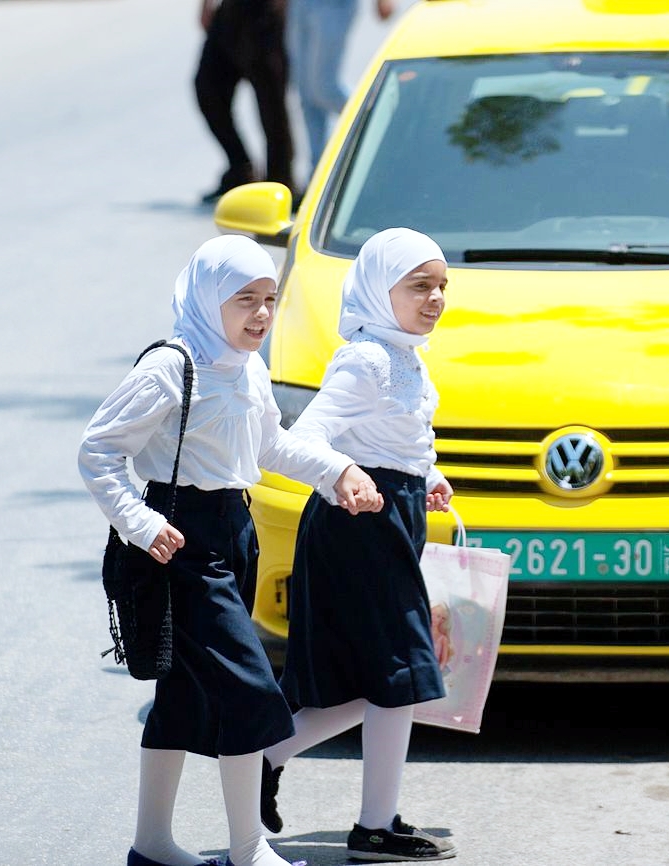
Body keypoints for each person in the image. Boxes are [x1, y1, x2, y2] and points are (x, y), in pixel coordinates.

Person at [78, 234, 384, 866]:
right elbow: (99, 450)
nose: (261, 315)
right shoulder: (171, 366)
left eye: (270, 299)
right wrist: (138, 521)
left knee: (184, 695)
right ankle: (249, 851)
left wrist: (338, 472)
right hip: (178, 543)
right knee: (249, 691)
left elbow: (270, 445)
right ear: (209, 298)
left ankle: (153, 848)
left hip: (233, 532)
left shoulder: (245, 366)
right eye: (245, 300)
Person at [260, 227, 458, 861]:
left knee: (385, 675)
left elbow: (397, 439)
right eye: (420, 286)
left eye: (441, 287)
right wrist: (344, 475)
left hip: (392, 517)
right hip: (357, 528)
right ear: (380, 289)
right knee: (399, 671)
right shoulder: (366, 358)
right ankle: (373, 828)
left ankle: (272, 754)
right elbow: (307, 436)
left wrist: (426, 476)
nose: (435, 300)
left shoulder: (407, 355)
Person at [195, 0, 296, 203]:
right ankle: (241, 170)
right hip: (229, 12)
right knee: (208, 88)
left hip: (266, 12)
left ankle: (280, 183)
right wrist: (206, 4)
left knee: (271, 104)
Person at [286, 0, 395, 185]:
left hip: (334, 5)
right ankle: (318, 179)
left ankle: (385, 123)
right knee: (306, 95)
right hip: (300, 5)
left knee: (325, 88)